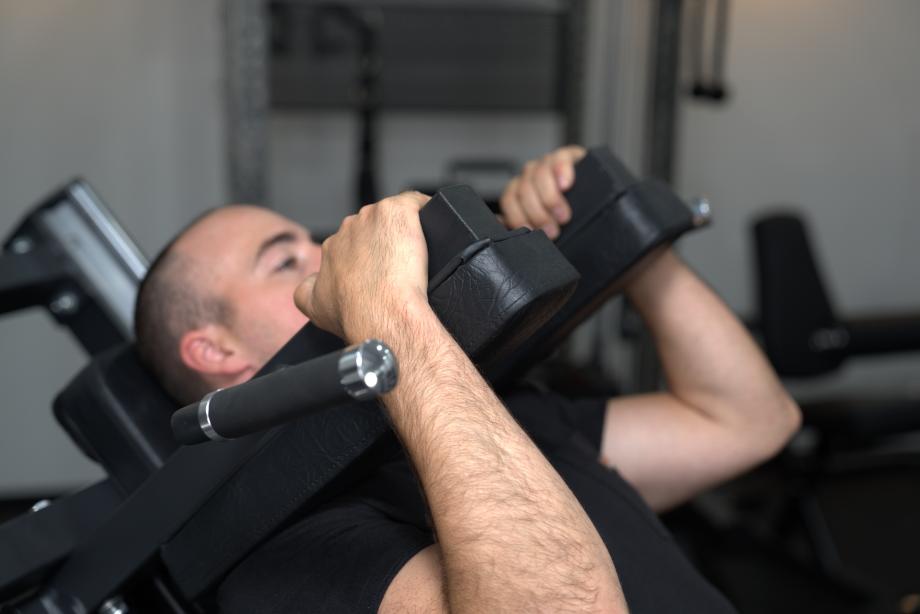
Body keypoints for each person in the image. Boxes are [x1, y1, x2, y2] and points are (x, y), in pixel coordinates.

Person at [134, 145, 800, 613]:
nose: (329, 257)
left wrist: (628, 248)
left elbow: (747, 421)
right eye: (285, 263)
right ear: (216, 351)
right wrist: (388, 313)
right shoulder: (281, 553)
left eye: (316, 242)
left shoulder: (497, 411)